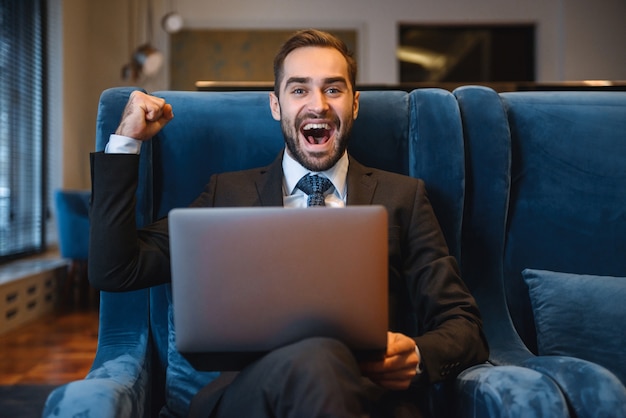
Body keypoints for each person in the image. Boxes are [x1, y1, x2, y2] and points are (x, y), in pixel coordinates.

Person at [89, 29, 489, 417]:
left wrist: (416, 355)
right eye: (299, 89)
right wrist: (126, 141)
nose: (318, 104)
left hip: (369, 397)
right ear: (276, 105)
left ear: (354, 104)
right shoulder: (225, 194)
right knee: (318, 356)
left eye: (333, 89)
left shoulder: (404, 197)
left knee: (326, 360)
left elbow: (464, 327)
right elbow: (116, 268)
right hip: (251, 397)